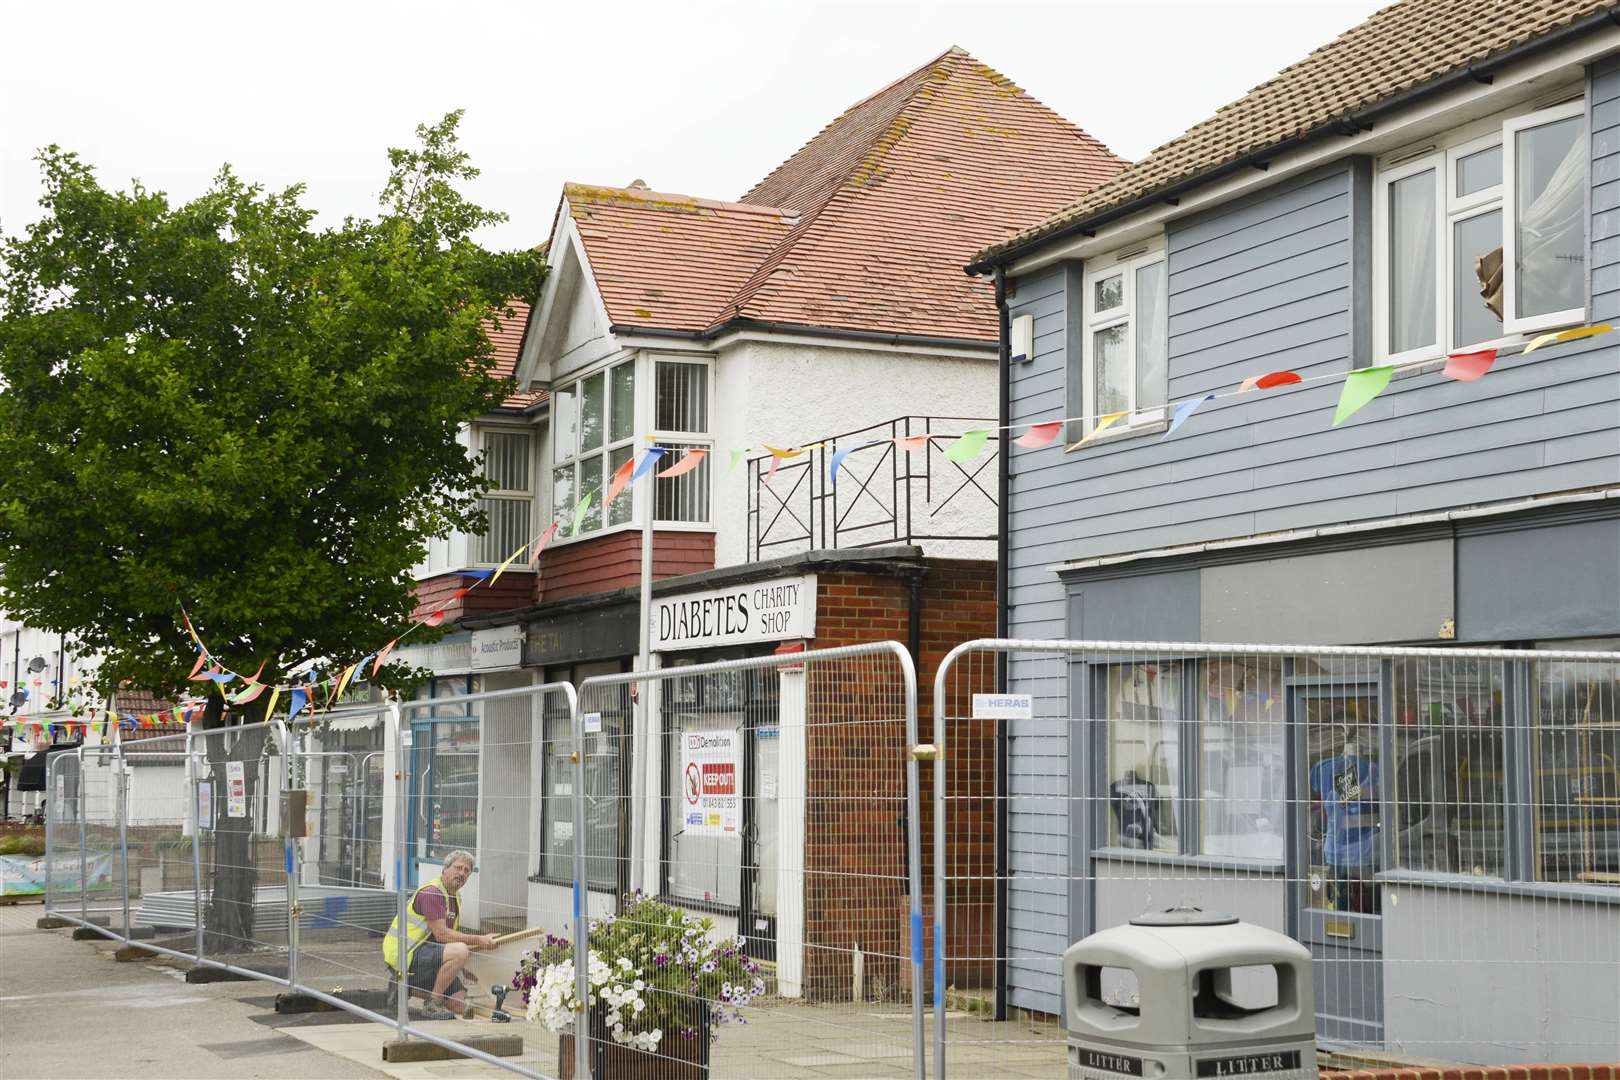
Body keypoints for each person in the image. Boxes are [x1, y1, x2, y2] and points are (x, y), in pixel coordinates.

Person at [382, 849, 497, 1019]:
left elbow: (449, 938)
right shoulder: (432, 893)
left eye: (466, 871)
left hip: (428, 955)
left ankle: (405, 987)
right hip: (407, 954)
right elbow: (443, 935)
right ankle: (433, 1004)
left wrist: (464, 967)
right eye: (458, 867)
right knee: (460, 951)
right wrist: (479, 939)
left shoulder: (455, 897)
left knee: (458, 1003)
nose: (462, 873)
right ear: (445, 869)